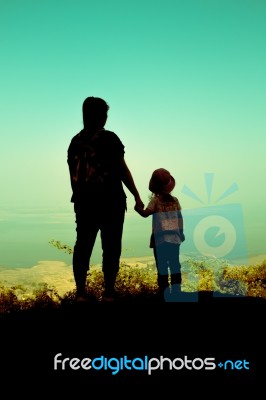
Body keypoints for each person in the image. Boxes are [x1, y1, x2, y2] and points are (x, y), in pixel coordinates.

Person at [67, 96, 144, 302]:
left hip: (84, 203)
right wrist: (137, 195)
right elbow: (122, 169)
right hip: (111, 202)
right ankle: (109, 293)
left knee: (83, 246)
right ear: (101, 116)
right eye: (105, 114)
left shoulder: (75, 142)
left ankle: (81, 293)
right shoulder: (109, 138)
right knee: (111, 247)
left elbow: (73, 177)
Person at [135, 168, 185, 301]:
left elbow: (145, 214)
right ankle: (177, 292)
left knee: (162, 267)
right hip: (174, 239)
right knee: (175, 265)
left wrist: (137, 208)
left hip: (160, 240)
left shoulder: (155, 202)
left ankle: (164, 293)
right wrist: (182, 233)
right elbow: (180, 218)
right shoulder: (175, 201)